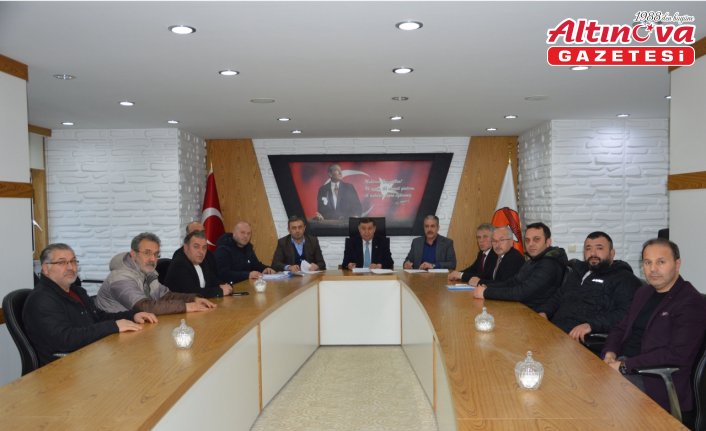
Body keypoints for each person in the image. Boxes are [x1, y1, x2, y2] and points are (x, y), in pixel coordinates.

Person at [602, 238, 706, 420]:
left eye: (661, 262)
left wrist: (625, 366)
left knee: (597, 401)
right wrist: (610, 352)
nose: (653, 269)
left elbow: (676, 355)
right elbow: (621, 327)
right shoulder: (644, 292)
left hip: (654, 380)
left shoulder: (691, 301)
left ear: (677, 264)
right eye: (648, 262)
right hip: (624, 364)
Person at [23, 243, 158, 366]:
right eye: (62, 262)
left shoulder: (76, 291)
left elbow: (98, 317)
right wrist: (113, 326)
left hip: (88, 355)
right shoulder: (41, 299)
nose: (70, 267)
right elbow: (65, 340)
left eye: (73, 261)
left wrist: (132, 315)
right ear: (46, 268)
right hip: (62, 367)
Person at [538, 231, 641, 341]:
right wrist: (544, 312)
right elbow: (559, 295)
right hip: (554, 331)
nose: (593, 253)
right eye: (588, 249)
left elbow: (625, 314)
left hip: (580, 339)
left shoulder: (624, 278)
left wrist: (591, 325)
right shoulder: (578, 271)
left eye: (599, 248)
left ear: (612, 253)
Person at [95, 232, 216, 315]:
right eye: (147, 253)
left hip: (135, 327)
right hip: (111, 335)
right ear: (133, 254)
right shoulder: (120, 278)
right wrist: (185, 306)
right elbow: (144, 307)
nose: (153, 259)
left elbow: (165, 296)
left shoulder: (147, 272)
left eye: (156, 254)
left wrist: (193, 299)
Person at [473, 222, 567, 312]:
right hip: (522, 308)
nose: (531, 244)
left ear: (548, 242)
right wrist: (488, 286)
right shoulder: (533, 260)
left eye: (536, 239)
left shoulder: (549, 264)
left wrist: (486, 292)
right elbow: (513, 282)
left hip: (534, 314)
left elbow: (522, 292)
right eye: (527, 240)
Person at [165, 230, 233, 297]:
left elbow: (212, 280)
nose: (201, 252)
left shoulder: (202, 260)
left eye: (204, 247)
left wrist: (225, 285)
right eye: (196, 247)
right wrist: (220, 291)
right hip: (179, 303)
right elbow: (192, 292)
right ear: (186, 247)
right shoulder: (179, 264)